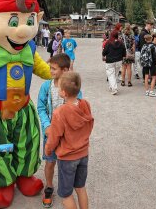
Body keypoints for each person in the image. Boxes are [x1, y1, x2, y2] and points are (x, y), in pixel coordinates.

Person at [37, 54, 82, 208]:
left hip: (67, 137)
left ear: (65, 70)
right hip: (50, 134)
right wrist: (47, 126)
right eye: (50, 68)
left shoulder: (73, 87)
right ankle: (49, 187)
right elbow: (41, 107)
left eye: (53, 69)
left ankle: (66, 189)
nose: (50, 71)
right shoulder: (46, 87)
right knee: (50, 162)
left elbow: (79, 107)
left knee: (66, 165)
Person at [45, 72, 94, 209]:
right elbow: (90, 124)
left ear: (64, 93)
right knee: (80, 188)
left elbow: (54, 136)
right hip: (83, 154)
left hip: (67, 158)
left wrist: (48, 149)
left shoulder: (60, 112)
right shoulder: (85, 104)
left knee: (66, 194)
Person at [102, 30, 126, 95]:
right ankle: (111, 86)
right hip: (118, 60)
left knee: (110, 75)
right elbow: (124, 51)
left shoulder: (108, 42)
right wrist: (123, 57)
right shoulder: (121, 42)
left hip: (110, 61)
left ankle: (114, 88)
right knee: (115, 74)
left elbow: (104, 52)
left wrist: (103, 56)